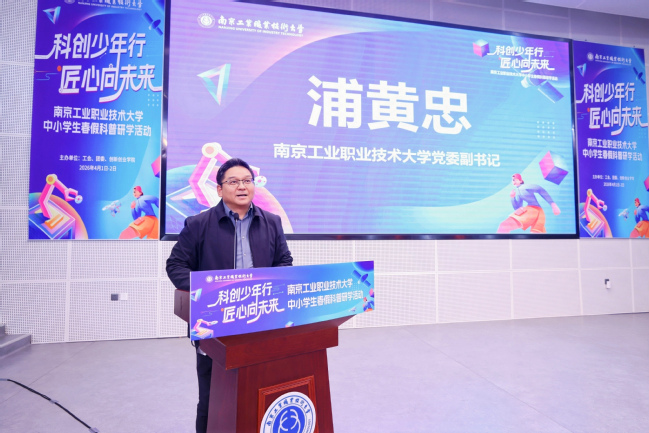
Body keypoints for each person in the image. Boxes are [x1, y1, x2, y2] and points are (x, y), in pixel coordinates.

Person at [166, 158, 293, 433]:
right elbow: (175, 266)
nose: (242, 187)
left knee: (258, 392)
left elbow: (284, 262)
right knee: (213, 399)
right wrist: (207, 293)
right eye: (233, 182)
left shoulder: (272, 222)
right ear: (219, 188)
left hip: (260, 322)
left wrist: (271, 288)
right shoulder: (198, 224)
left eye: (247, 181)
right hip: (214, 325)